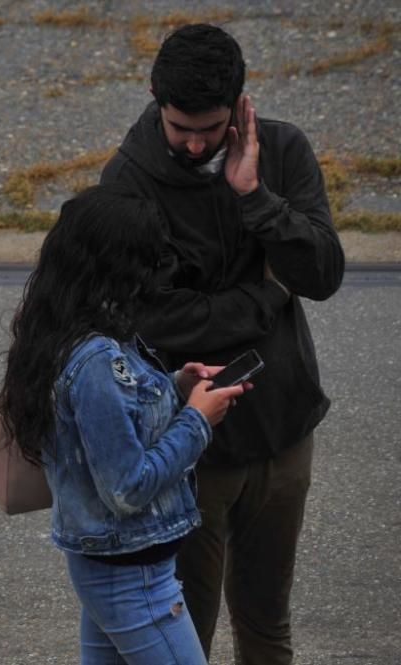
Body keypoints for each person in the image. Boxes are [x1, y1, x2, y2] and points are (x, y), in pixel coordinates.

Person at [99, 23, 344, 664]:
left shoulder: (284, 151)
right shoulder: (127, 184)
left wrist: (256, 199)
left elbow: (320, 276)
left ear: (240, 102)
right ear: (155, 97)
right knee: (186, 631)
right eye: (181, 127)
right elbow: (154, 320)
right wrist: (266, 296)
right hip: (188, 448)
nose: (196, 141)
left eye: (209, 126)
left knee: (267, 624)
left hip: (283, 431)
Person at [0, 184, 246, 664]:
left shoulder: (73, 332)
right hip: (132, 576)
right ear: (121, 266)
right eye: (150, 260)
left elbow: (109, 417)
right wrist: (197, 419)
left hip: (112, 564)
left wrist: (175, 386)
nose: (158, 272)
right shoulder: (95, 358)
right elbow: (127, 487)